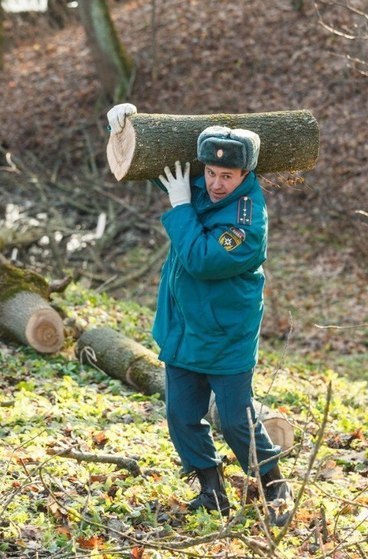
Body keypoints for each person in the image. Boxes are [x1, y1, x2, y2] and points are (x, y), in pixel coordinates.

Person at [107, 103, 293, 526]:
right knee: (180, 416)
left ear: (246, 175)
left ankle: (275, 488)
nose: (215, 183)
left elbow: (202, 259)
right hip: (184, 330)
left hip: (226, 335)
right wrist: (123, 129)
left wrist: (180, 207)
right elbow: (153, 166)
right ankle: (212, 490)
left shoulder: (247, 220)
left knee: (235, 421)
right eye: (210, 172)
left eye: (226, 176)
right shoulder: (200, 185)